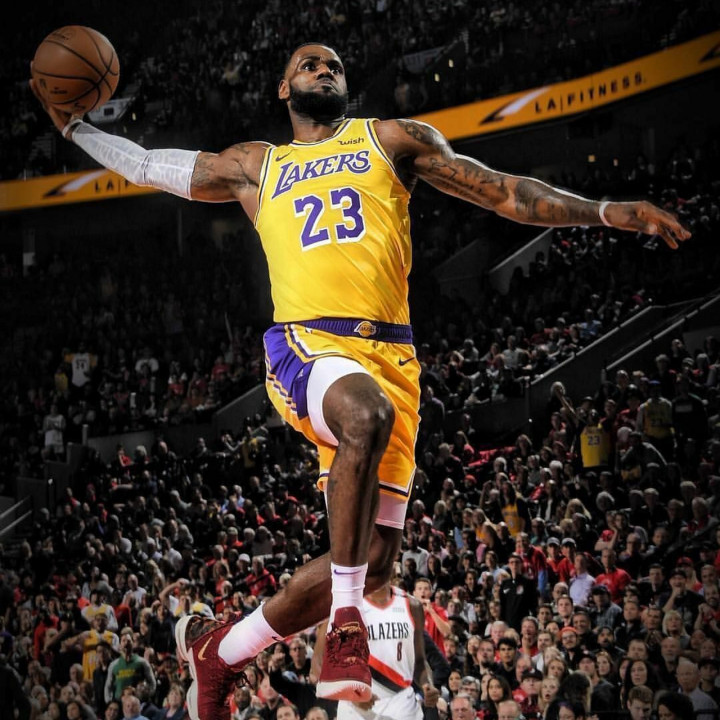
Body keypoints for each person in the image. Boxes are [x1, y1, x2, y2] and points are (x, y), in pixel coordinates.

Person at [31, 40, 691, 720]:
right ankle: (346, 627)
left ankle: (220, 649)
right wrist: (77, 129)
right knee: (363, 419)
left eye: (335, 66)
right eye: (309, 64)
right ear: (283, 88)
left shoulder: (393, 140)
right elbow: (147, 164)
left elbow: (502, 191)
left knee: (374, 559)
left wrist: (604, 210)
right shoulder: (259, 165)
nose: (324, 69)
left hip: (393, 359)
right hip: (308, 343)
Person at [315, 581, 438, 720]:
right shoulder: (344, 605)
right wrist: (350, 693)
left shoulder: (412, 605)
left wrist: (427, 683)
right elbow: (318, 665)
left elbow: (419, 661)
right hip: (355, 710)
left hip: (401, 704)